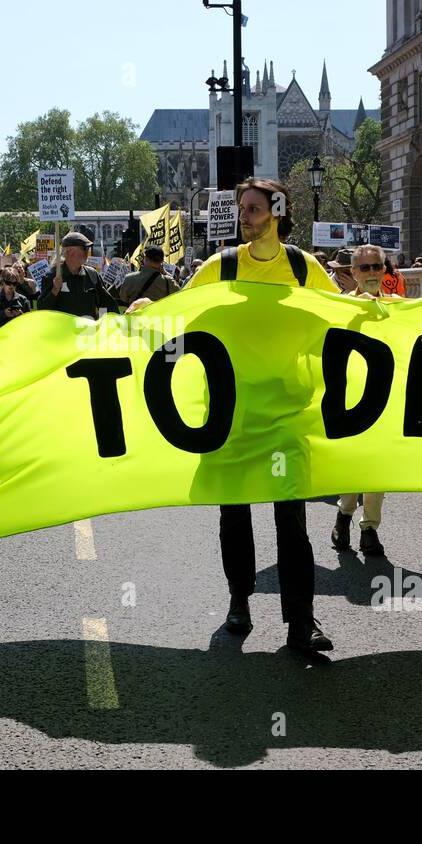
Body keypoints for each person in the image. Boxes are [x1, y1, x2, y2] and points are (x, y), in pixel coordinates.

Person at [136, 177, 338, 655]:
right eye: (242, 209)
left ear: (277, 212)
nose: (243, 217)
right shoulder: (220, 266)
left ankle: (302, 621)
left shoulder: (303, 268)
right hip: (230, 412)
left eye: (252, 209)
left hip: (287, 414)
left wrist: (373, 309)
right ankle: (239, 600)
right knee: (235, 512)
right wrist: (150, 309)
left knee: (292, 519)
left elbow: (340, 312)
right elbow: (180, 310)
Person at [330, 244, 401, 556]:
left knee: (379, 468)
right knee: (353, 465)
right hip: (349, 400)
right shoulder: (338, 307)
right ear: (353, 273)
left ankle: (369, 527)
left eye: (377, 266)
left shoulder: (400, 307)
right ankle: (344, 513)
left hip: (385, 401)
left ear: (384, 270)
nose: (372, 272)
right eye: (365, 268)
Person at [38, 231, 121, 319]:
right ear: (69, 251)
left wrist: (103, 324)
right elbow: (42, 310)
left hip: (87, 331)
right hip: (64, 331)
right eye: (84, 248)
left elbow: (107, 304)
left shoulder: (92, 275)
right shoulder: (52, 276)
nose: (87, 252)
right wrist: (54, 291)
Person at [0, 267, 33, 333]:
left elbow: (29, 324)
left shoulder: (23, 300)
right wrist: (4, 314)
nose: (11, 286)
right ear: (2, 282)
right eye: (8, 283)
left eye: (14, 284)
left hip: (16, 338)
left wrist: (21, 316)